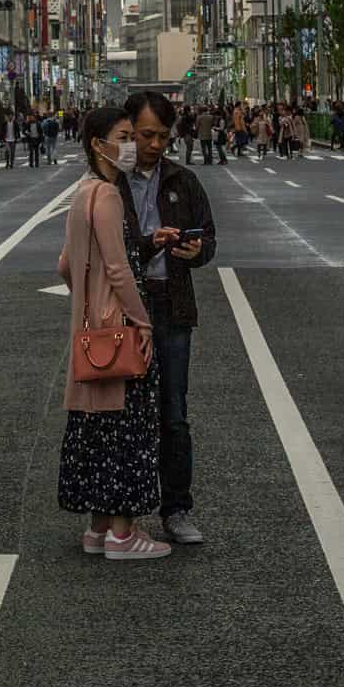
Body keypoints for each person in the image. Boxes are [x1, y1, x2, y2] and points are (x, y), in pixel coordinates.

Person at [59, 105, 172, 562]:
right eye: (123, 136)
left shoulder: (81, 193)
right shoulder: (107, 196)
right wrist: (140, 320)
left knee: (96, 427)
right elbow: (119, 268)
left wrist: (88, 297)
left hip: (87, 328)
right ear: (97, 144)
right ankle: (124, 536)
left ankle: (97, 529)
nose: (130, 145)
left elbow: (66, 264)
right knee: (129, 426)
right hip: (119, 328)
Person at [122, 90, 217, 546]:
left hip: (172, 304)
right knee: (122, 413)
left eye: (162, 136)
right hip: (124, 309)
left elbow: (209, 238)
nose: (155, 145)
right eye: (146, 135)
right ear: (128, 130)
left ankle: (177, 509)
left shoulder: (183, 179)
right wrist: (149, 243)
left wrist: (197, 250)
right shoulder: (110, 183)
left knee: (173, 413)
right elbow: (107, 250)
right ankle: (122, 513)